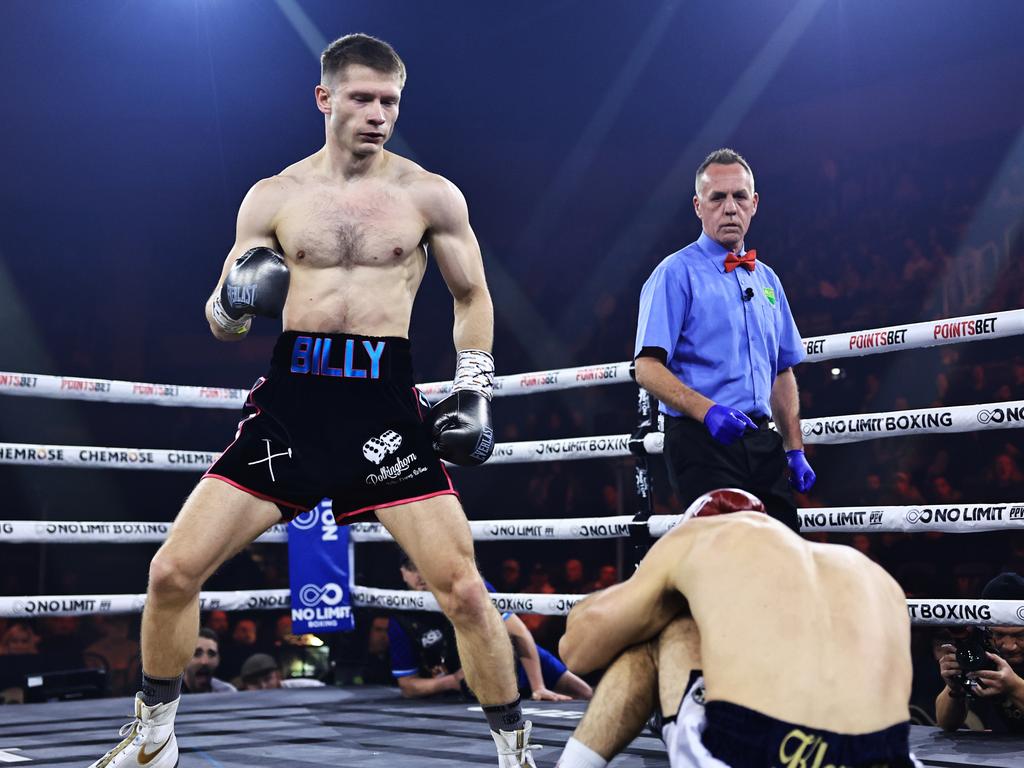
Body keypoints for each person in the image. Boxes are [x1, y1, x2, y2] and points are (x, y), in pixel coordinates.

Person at [89, 33, 535, 768]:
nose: (378, 114)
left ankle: (515, 753)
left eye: (390, 101)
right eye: (362, 98)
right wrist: (237, 302)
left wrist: (475, 387)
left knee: (461, 588)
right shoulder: (273, 196)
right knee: (171, 571)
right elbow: (221, 317)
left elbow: (471, 295)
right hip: (293, 404)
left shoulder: (429, 194)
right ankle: (153, 737)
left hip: (383, 408)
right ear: (325, 99)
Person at [555, 488, 920, 768]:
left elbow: (578, 652)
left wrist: (662, 597)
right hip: (885, 753)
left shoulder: (702, 537)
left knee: (665, 631)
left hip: (765, 749)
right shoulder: (870, 573)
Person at [633, 149, 812, 531]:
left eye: (739, 197)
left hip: (763, 441)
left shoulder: (768, 280)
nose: (730, 208)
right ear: (698, 206)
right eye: (718, 198)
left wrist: (794, 447)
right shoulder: (674, 273)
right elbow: (646, 367)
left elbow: (782, 370)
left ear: (754, 203)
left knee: (785, 554)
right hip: (700, 442)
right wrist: (707, 411)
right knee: (726, 561)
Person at [390, 552, 592, 701]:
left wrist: (538, 686)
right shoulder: (401, 617)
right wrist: (454, 680)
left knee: (585, 693)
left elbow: (519, 633)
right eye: (411, 567)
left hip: (519, 659)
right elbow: (408, 686)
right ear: (402, 573)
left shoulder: (470, 588)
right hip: (483, 682)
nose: (419, 574)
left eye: (423, 563)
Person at [935, 572, 1024, 733]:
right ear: (986, 630)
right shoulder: (980, 649)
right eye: (999, 634)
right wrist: (955, 687)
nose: (1010, 646)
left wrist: (1014, 687)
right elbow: (946, 723)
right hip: (998, 752)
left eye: (1020, 635)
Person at [182, 628, 236, 694]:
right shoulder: (169, 696)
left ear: (218, 660)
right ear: (184, 659)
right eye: (196, 653)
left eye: (211, 654)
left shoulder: (228, 693)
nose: (204, 662)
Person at [237, 653, 325, 690]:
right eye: (254, 683)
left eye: (267, 679)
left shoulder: (309, 687)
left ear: (278, 676)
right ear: (245, 687)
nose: (263, 686)